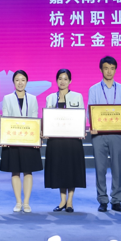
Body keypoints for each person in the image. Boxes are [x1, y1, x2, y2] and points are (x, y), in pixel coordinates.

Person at [88, 56, 121, 213]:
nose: (109, 71)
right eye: (106, 68)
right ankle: (102, 200)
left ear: (115, 70)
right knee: (100, 169)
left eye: (112, 68)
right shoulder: (94, 89)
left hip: (117, 134)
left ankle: (116, 200)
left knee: (117, 168)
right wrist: (92, 126)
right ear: (101, 69)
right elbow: (91, 110)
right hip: (99, 135)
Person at [43, 69, 87, 213]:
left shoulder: (77, 96)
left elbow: (82, 116)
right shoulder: (50, 98)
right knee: (60, 169)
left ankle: (70, 201)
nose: (62, 81)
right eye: (60, 79)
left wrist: (82, 130)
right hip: (56, 141)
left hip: (72, 140)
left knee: (71, 169)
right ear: (56, 81)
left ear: (70, 81)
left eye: (65, 79)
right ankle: (62, 200)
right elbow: (47, 118)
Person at [0, 70, 42, 213]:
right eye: (17, 80)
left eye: (23, 80)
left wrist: (36, 138)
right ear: (13, 82)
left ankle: (26, 202)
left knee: (28, 171)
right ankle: (18, 202)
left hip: (29, 140)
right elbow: (6, 119)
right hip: (13, 140)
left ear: (26, 82)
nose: (20, 83)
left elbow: (35, 119)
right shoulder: (7, 98)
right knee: (15, 171)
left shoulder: (33, 98)